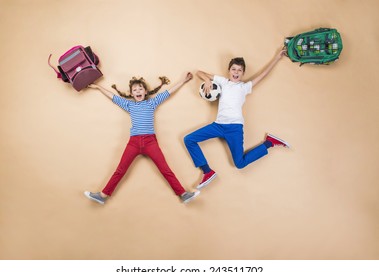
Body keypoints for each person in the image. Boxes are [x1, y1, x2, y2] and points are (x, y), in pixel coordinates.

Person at [84, 72, 200, 204]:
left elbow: (169, 92)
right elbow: (113, 97)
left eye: (140, 89)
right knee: (120, 170)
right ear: (131, 94)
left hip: (150, 142)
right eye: (135, 90)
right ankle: (102, 195)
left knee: (165, 169)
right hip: (133, 143)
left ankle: (183, 194)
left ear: (145, 92)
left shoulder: (152, 102)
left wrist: (183, 81)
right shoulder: (129, 105)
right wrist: (99, 87)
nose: (138, 91)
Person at [184, 49, 290, 190]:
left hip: (234, 128)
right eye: (233, 69)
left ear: (243, 73)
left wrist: (277, 58)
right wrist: (208, 80)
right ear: (229, 71)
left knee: (239, 164)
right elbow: (199, 72)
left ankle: (269, 143)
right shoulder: (223, 81)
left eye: (240, 70)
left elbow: (263, 74)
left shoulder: (245, 87)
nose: (236, 72)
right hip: (218, 125)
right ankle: (207, 171)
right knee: (189, 139)